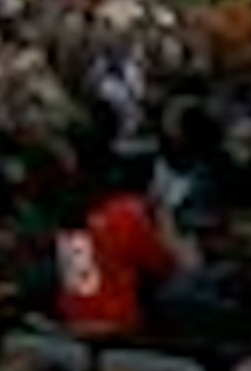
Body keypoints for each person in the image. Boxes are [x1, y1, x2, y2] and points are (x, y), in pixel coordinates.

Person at [53, 141, 193, 339]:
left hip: (74, 324)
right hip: (118, 328)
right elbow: (163, 264)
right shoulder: (126, 213)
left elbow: (80, 287)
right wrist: (167, 227)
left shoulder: (71, 214)